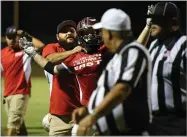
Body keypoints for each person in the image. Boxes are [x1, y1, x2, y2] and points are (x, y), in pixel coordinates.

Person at [71, 8, 153, 135]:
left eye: (102, 31)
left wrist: (93, 116)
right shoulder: (117, 56)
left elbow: (122, 89)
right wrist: (88, 110)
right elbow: (108, 91)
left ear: (109, 33)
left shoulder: (132, 51)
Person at [137, 2, 186, 135]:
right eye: (151, 19)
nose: (152, 22)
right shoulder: (154, 46)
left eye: (157, 19)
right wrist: (147, 26)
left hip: (177, 123)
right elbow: (133, 55)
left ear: (173, 23)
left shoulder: (184, 45)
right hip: (153, 122)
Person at [1, 26, 45, 136]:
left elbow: (41, 45)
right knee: (19, 126)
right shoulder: (2, 53)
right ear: (6, 38)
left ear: (19, 38)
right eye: (9, 37)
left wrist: (24, 33)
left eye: (14, 37)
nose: (12, 40)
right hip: (7, 94)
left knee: (12, 127)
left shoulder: (25, 50)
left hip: (20, 93)